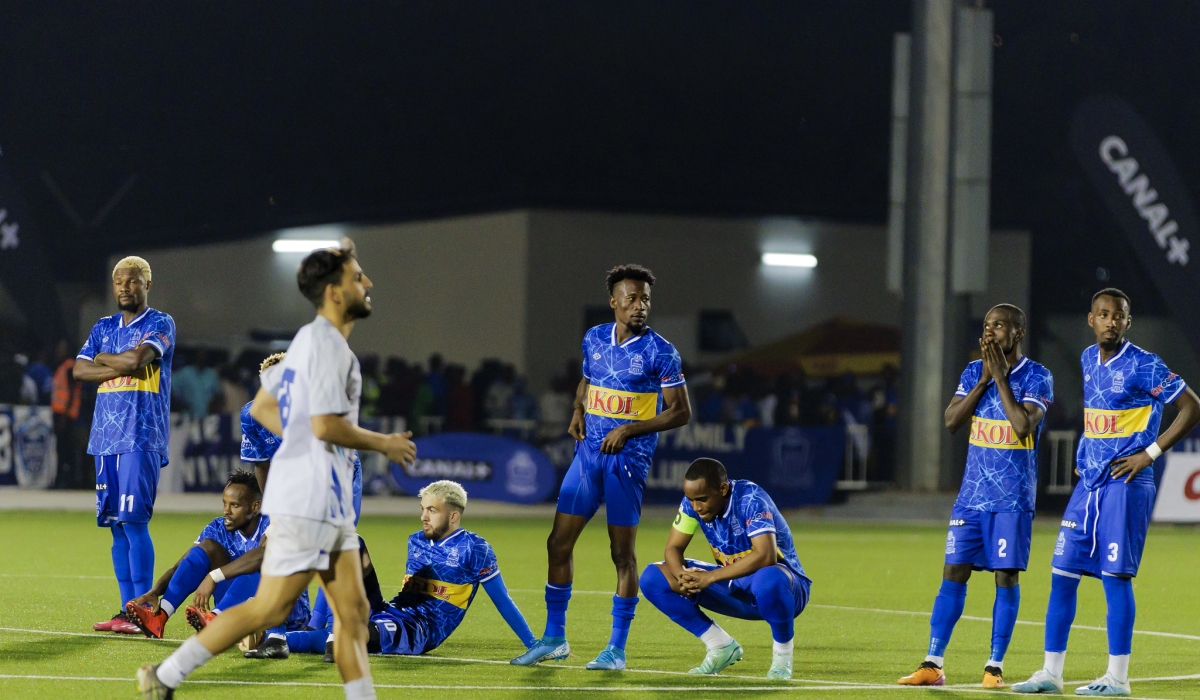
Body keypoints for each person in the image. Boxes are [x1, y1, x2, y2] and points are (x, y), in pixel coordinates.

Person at [138, 245, 416, 700]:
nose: (368, 284)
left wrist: (304, 439)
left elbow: (267, 407)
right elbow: (325, 425)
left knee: (353, 610)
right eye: (358, 277)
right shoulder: (326, 348)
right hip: (309, 503)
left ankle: (164, 677)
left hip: (326, 503)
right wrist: (382, 442)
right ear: (334, 291)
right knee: (272, 607)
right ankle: (165, 676)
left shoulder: (317, 342)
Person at [1013, 288, 1200, 696]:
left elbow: (1192, 406)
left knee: (1115, 578)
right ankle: (1051, 673)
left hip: (1128, 484)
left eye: (1118, 315)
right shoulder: (1085, 359)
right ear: (1091, 319)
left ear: (1127, 322)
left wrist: (1149, 454)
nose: (1110, 321)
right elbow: (1095, 412)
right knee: (1062, 575)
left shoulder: (1144, 364)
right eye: (1103, 314)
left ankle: (1118, 678)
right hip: (1090, 485)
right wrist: (1084, 451)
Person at [513, 264, 691, 671]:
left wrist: (629, 429)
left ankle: (616, 649)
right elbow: (589, 380)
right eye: (631, 299)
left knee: (621, 554)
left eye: (645, 299)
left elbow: (681, 412)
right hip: (588, 455)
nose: (639, 306)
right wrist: (578, 408)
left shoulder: (661, 352)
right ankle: (554, 638)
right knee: (557, 543)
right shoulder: (594, 338)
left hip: (627, 461)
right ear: (614, 302)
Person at [898, 304, 1053, 689]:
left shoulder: (1038, 376)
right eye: (986, 325)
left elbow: (1020, 426)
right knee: (953, 573)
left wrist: (1000, 379)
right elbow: (951, 422)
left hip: (1011, 500)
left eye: (999, 326)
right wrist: (984, 379)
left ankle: (994, 667)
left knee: (1005, 577)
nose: (990, 332)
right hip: (971, 497)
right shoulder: (973, 372)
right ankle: (933, 663)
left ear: (1018, 333)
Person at [285, 480, 536, 659]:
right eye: (423, 509)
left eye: (432, 510)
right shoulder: (416, 540)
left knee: (352, 634)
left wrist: (532, 644)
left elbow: (503, 601)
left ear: (454, 516)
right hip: (390, 610)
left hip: (419, 629)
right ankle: (304, 631)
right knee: (350, 541)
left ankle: (288, 638)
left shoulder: (475, 548)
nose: (423, 517)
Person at [73, 256, 176, 635]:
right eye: (118, 282)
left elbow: (137, 359)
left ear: (146, 285)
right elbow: (79, 370)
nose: (124, 288)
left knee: (134, 522)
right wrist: (116, 364)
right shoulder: (103, 327)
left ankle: (143, 609)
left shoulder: (161, 323)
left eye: (132, 282)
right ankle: (125, 612)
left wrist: (104, 359)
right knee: (115, 527)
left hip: (141, 435)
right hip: (105, 438)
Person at [638, 458, 810, 679]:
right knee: (653, 578)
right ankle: (720, 646)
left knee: (768, 579)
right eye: (691, 500)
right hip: (735, 586)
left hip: (786, 589)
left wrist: (709, 578)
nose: (696, 507)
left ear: (723, 488)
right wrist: (682, 575)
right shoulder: (692, 504)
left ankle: (782, 659)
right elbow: (673, 548)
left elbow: (766, 555)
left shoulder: (750, 499)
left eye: (702, 499)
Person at [123, 470, 308, 640]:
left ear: (255, 507)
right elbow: (183, 565)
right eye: (224, 504)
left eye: (234, 505)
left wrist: (214, 576)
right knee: (206, 548)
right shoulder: (218, 527)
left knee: (260, 567)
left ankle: (217, 620)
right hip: (241, 611)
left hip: (285, 615)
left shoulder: (273, 521)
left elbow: (262, 556)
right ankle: (161, 616)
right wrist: (155, 592)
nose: (226, 511)